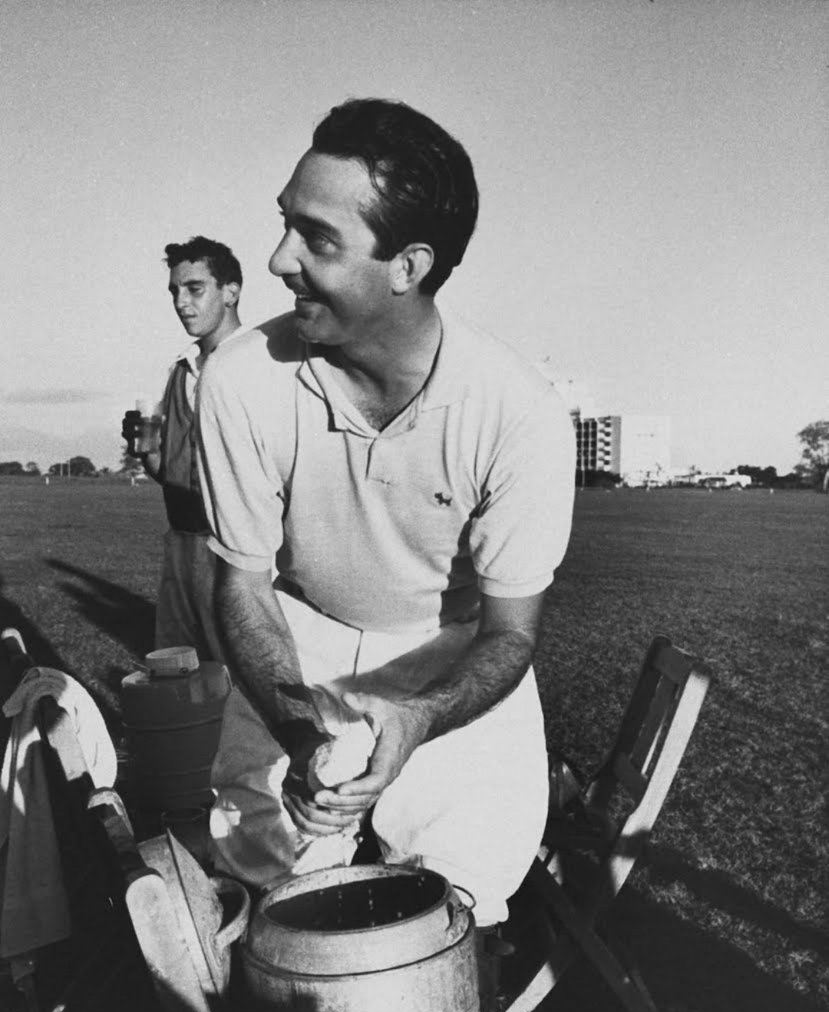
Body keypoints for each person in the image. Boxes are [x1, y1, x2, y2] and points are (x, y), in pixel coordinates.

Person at [195, 99, 575, 946]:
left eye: (317, 239)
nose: (278, 259)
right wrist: (298, 730)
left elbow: (510, 634)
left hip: (448, 649)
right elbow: (243, 586)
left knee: (459, 897)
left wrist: (420, 719)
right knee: (267, 879)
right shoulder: (241, 379)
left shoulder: (517, 413)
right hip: (300, 639)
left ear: (406, 266)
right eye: (286, 224)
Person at [122, 236, 243, 663]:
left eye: (195, 289)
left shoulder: (257, 364)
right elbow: (168, 473)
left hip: (235, 549)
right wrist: (146, 451)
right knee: (175, 669)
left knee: (238, 674)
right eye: (175, 291)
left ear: (230, 292)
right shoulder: (180, 369)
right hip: (181, 541)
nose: (181, 302)